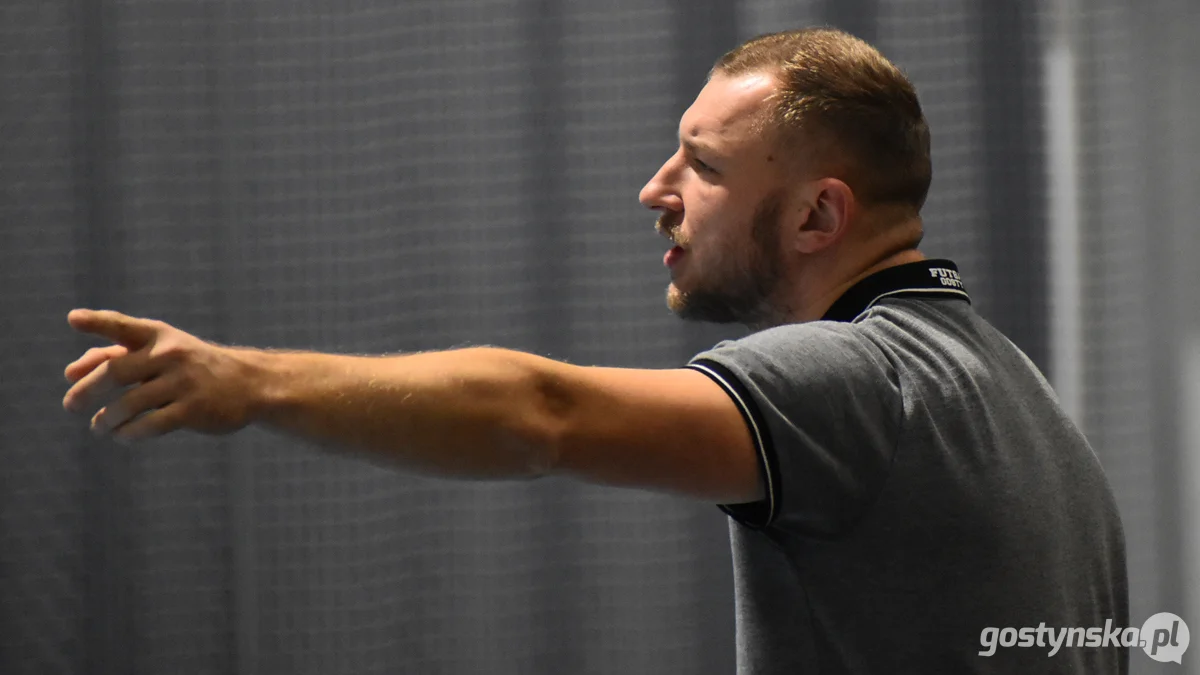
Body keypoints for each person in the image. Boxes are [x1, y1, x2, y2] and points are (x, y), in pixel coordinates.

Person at [62, 28, 1128, 675]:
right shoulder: (1016, 392)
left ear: (817, 217)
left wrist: (251, 382)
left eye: (701, 168)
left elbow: (539, 415)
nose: (654, 190)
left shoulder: (855, 384)